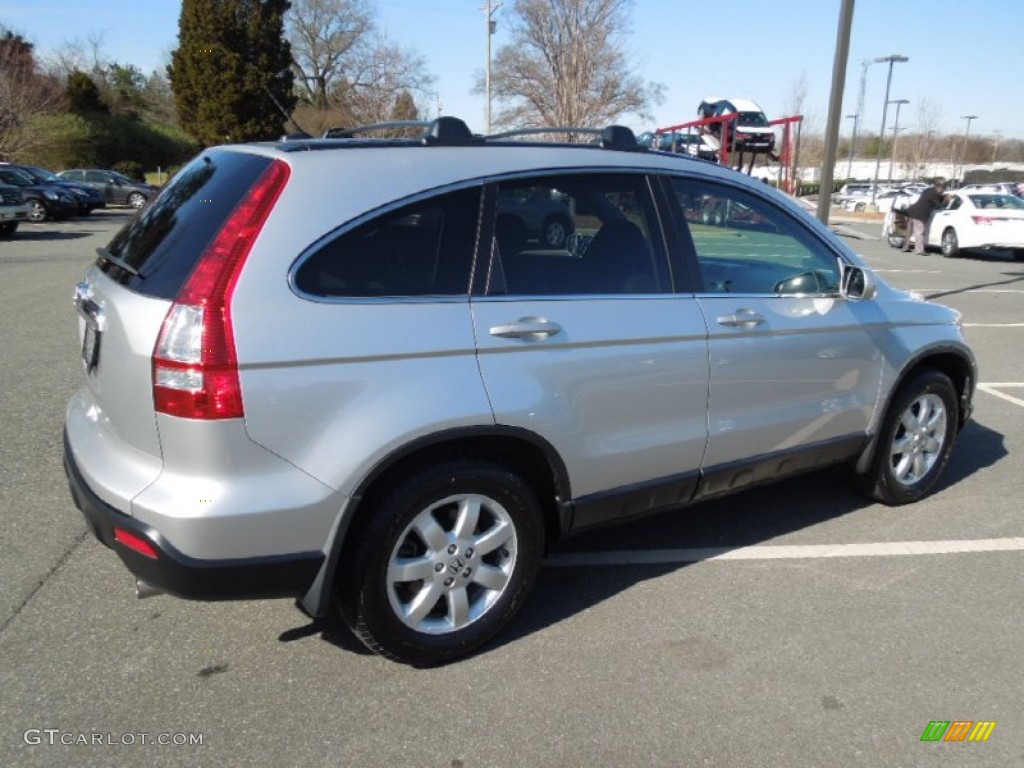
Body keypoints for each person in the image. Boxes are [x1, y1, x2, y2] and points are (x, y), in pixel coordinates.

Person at [902, 180, 946, 253]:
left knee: (909, 232)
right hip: (920, 214)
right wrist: (945, 200)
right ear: (940, 188)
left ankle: (905, 247)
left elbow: (932, 199)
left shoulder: (927, 190)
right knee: (919, 232)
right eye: (943, 189)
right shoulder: (934, 194)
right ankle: (919, 250)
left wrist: (941, 196)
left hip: (912, 211)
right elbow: (939, 205)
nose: (943, 191)